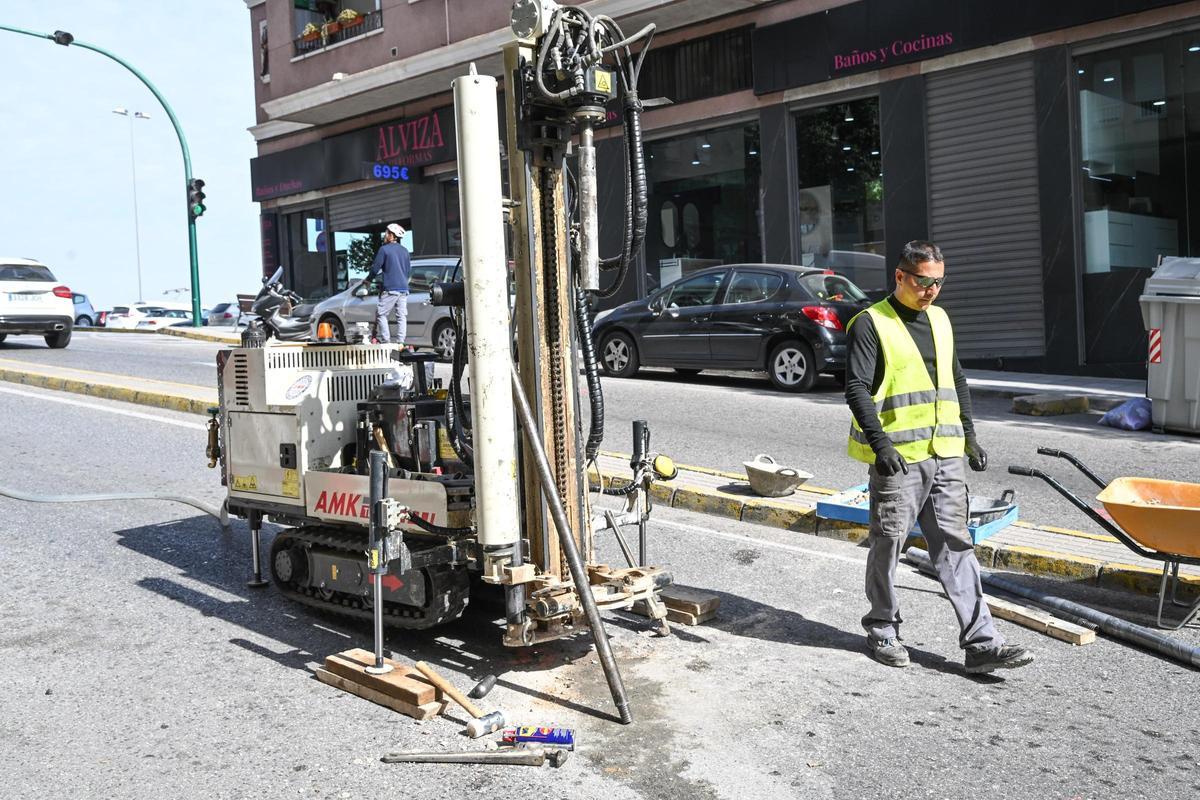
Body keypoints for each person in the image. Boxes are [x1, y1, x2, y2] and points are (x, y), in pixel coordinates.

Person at [844, 240, 1033, 675]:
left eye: (939, 283)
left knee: (955, 544)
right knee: (888, 543)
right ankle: (882, 629)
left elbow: (956, 378)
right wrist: (881, 445)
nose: (931, 291)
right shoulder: (871, 323)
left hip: (945, 453)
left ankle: (982, 642)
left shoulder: (941, 319)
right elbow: (856, 388)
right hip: (899, 459)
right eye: (923, 282)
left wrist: (969, 434)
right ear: (900, 276)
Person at [366, 222, 412, 344]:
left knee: (381, 314)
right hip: (404, 289)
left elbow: (376, 268)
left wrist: (368, 280)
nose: (385, 235)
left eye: (387, 233)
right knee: (401, 316)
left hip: (391, 288)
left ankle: (386, 341)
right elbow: (408, 271)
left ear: (392, 236)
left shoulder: (384, 249)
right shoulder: (405, 251)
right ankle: (400, 343)